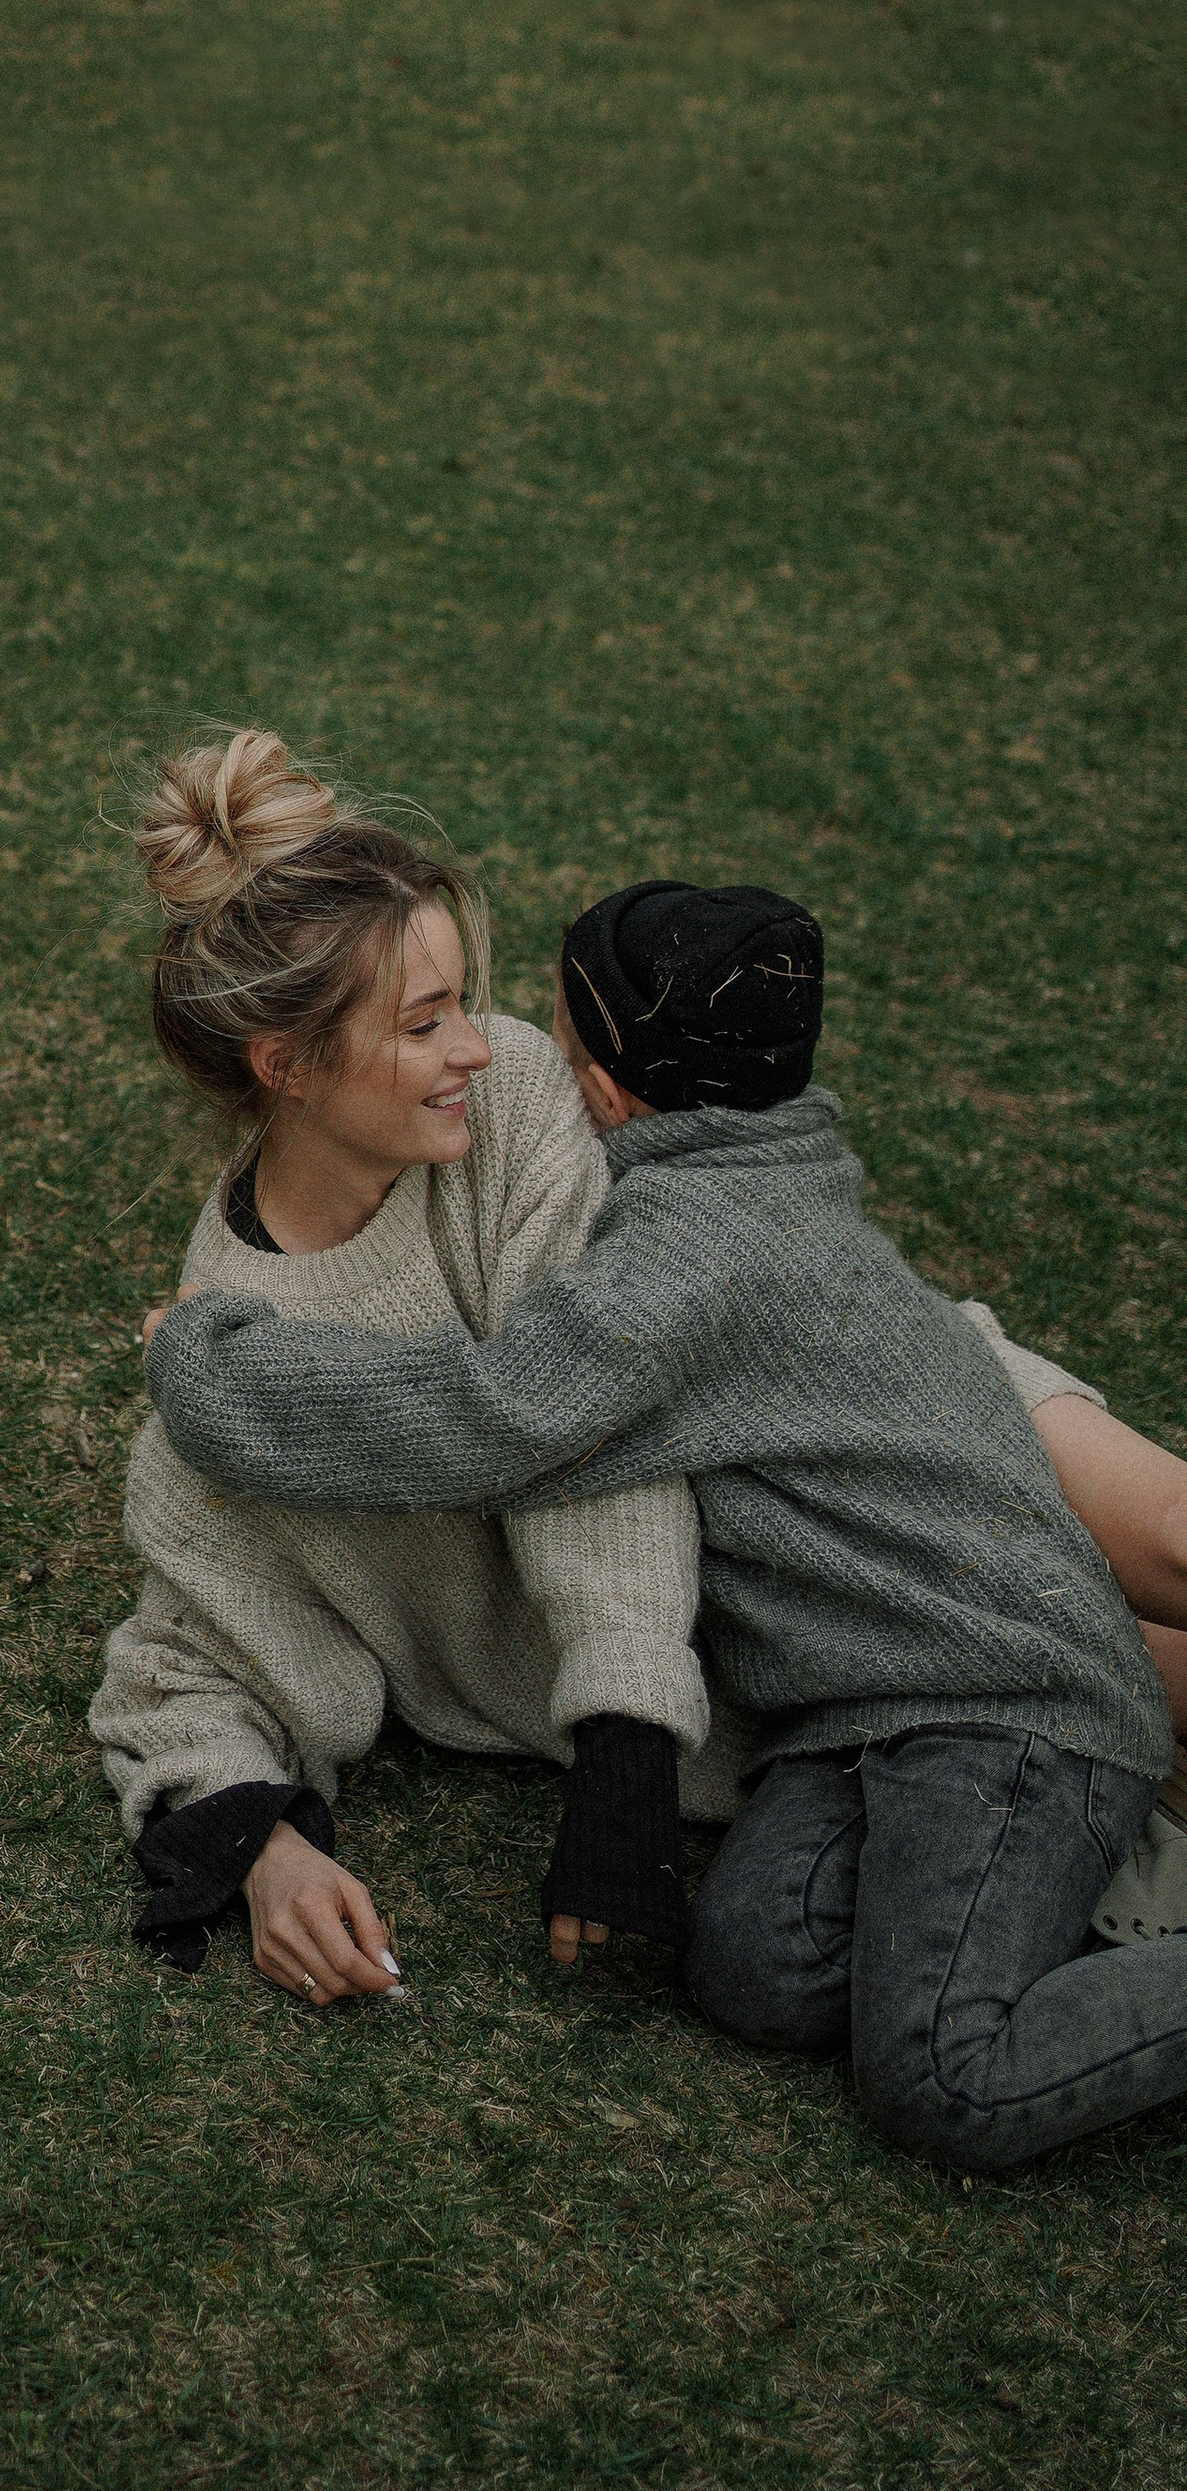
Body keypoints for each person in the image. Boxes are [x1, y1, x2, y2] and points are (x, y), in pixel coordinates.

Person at [143, 872, 1187, 2172]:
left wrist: (213, 1372)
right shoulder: (757, 1162)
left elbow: (503, 1414)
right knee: (753, 1970)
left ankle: (1062, 1885)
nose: (493, 1051)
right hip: (850, 1687)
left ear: (609, 1087)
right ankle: (1036, 1876)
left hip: (984, 1669)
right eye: (431, 1018)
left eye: (532, 1025)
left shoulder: (663, 1249)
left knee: (941, 2076)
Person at [91, 735, 742, 2009]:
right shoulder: (234, 1358)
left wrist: (623, 1754)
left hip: (809, 1455)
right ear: (286, 1065)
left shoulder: (515, 1104)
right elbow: (182, 1657)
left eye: (461, 1003)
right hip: (775, 1653)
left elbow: (594, 1409)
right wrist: (268, 1854)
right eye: (423, 1023)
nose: (476, 1048)